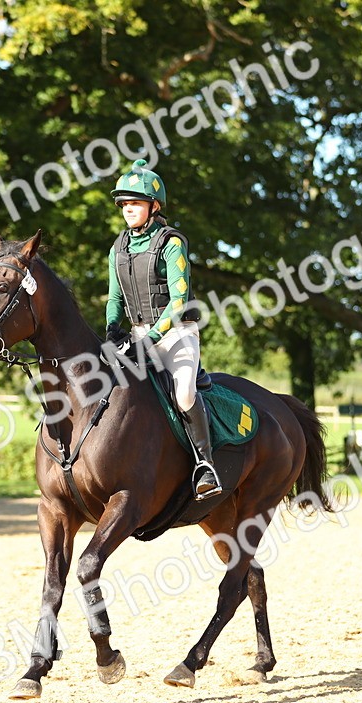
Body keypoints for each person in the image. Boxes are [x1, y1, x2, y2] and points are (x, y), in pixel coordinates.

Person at [104, 158, 221, 501]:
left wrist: (152, 338)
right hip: (137, 334)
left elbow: (179, 300)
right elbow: (114, 297)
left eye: (135, 203)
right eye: (124, 204)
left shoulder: (172, 243)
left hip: (175, 334)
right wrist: (112, 328)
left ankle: (205, 464)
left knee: (184, 393)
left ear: (154, 206)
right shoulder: (118, 247)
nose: (128, 209)